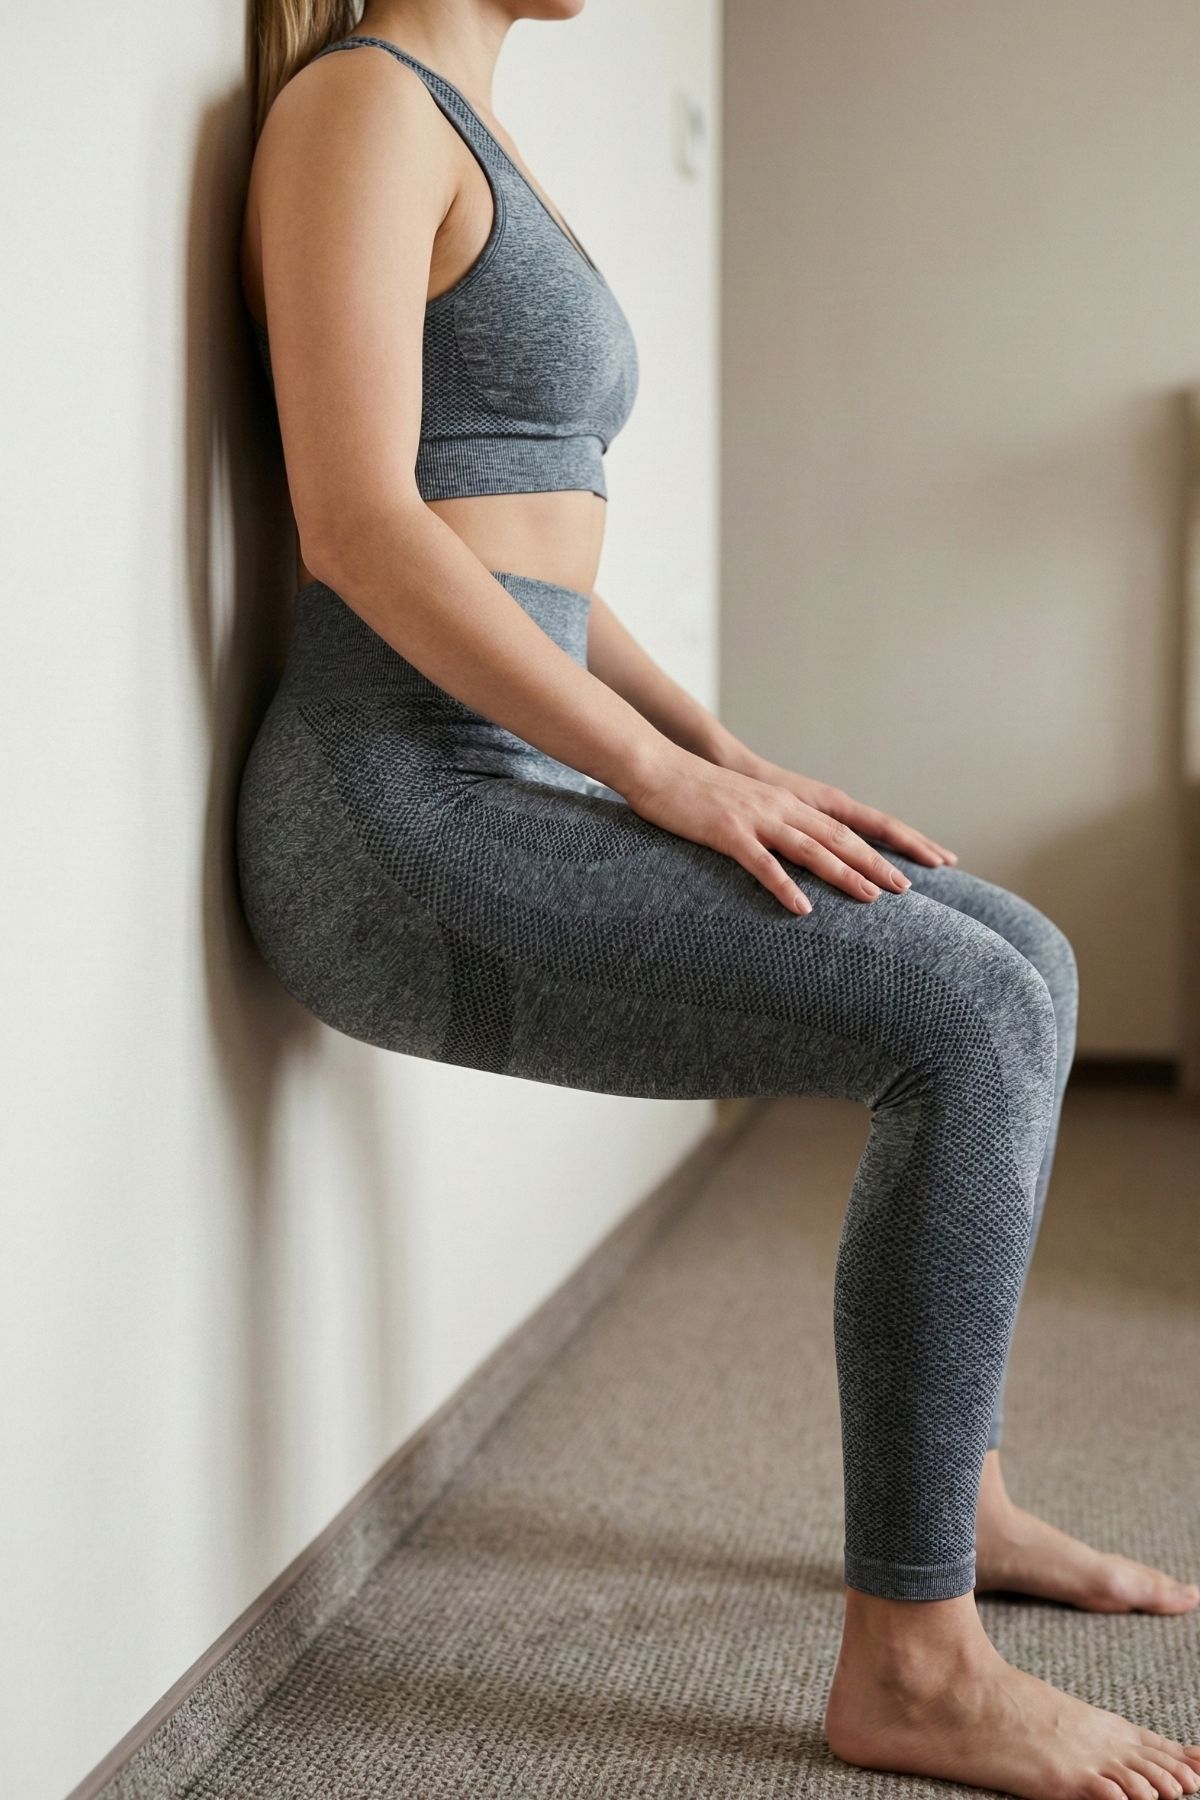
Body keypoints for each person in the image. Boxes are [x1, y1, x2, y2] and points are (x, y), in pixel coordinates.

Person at [235, 4, 1200, 1795]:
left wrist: (725, 753)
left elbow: (526, 547)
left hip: (510, 767)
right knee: (966, 1016)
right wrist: (656, 782)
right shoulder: (361, 108)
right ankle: (913, 1666)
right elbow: (360, 526)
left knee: (1025, 954)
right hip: (395, 821)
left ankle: (958, 1501)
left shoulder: (458, 123)